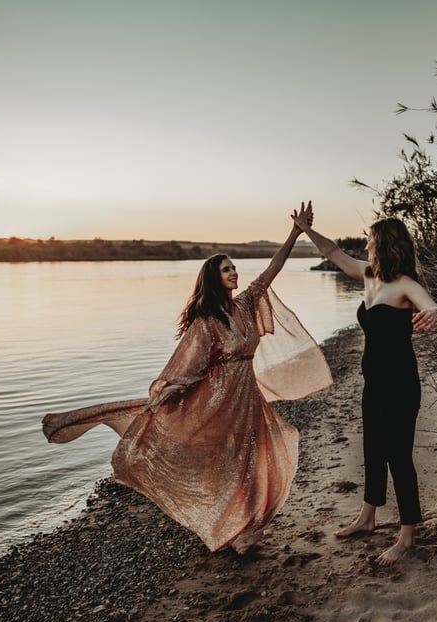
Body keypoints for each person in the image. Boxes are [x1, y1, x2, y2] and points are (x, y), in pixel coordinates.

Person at [42, 203, 332, 555]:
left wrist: (296, 232)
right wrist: (173, 388)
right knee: (228, 464)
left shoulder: (245, 304)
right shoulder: (206, 320)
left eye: (235, 268)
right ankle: (233, 530)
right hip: (219, 402)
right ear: (214, 277)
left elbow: (272, 268)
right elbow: (191, 365)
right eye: (227, 270)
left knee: (257, 456)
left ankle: (245, 530)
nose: (234, 274)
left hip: (247, 397)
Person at [299, 210, 437, 565]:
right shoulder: (368, 275)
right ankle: (367, 519)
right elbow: (333, 253)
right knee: (372, 449)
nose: (366, 243)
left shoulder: (406, 284)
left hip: (400, 384)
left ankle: (407, 536)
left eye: (370, 239)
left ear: (383, 244)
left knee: (399, 456)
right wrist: (306, 229)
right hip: (373, 382)